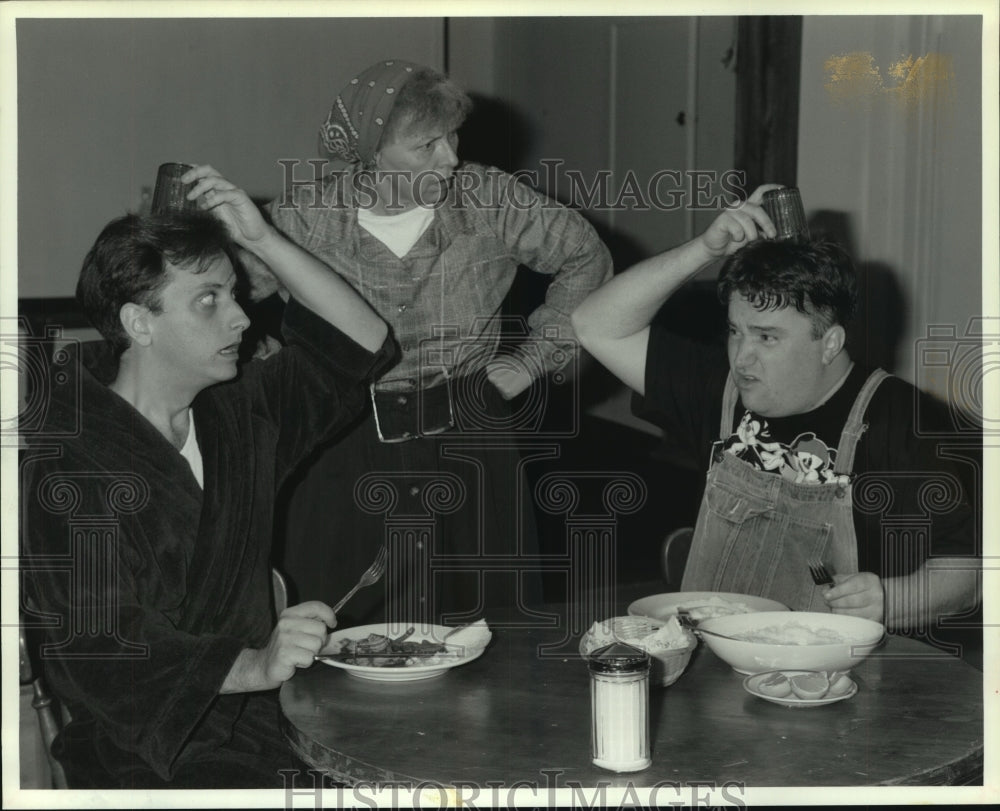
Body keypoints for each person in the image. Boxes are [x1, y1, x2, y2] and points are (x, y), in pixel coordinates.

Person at [21, 166, 391, 788]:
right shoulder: (69, 464)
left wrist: (265, 239)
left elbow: (363, 342)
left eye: (236, 293)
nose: (243, 319)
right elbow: (104, 652)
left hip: (268, 720)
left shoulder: (239, 414)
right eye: (209, 300)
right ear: (140, 324)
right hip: (140, 755)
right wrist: (254, 664)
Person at [255, 59, 613, 625]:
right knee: (342, 629)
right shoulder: (303, 219)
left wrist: (532, 359)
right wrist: (265, 363)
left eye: (452, 137)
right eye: (426, 145)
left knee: (485, 633)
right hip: (341, 445)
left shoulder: (492, 200)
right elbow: (228, 290)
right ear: (372, 152)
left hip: (469, 442)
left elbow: (587, 257)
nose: (450, 158)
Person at [571, 185, 980, 630]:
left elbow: (969, 577)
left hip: (829, 679)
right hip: (712, 664)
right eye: (734, 331)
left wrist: (890, 601)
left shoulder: (899, 420)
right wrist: (703, 250)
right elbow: (594, 325)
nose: (742, 358)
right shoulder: (720, 389)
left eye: (767, 337)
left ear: (829, 344)